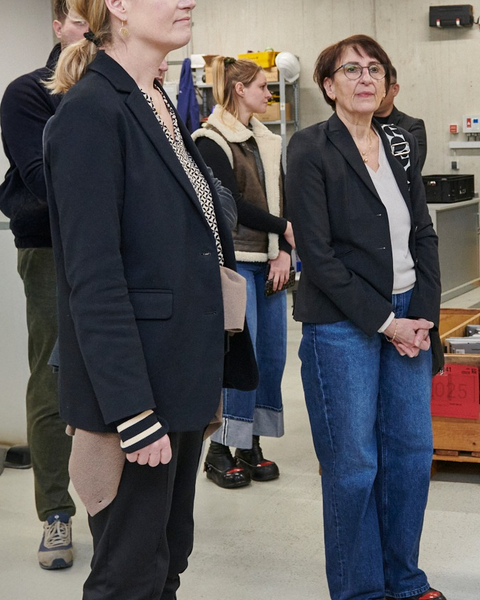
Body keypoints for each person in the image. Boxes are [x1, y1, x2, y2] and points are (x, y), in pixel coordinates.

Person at [43, 0, 256, 598]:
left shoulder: (155, 102)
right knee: (128, 575)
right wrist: (132, 413)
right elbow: (93, 278)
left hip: (181, 374)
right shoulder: (91, 113)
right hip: (135, 395)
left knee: (166, 563)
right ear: (118, 6)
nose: (188, 1)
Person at [286, 34, 445, 600]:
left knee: (410, 456)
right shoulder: (308, 148)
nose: (364, 78)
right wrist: (387, 322)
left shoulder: (399, 144)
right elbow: (319, 257)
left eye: (374, 68)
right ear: (328, 85)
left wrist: (423, 314)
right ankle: (360, 590)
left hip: (410, 320)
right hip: (343, 326)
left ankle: (404, 579)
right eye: (350, 70)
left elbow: (423, 233)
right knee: (353, 464)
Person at [0, 0, 88, 570]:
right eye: (81, 21)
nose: (90, 33)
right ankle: (56, 514)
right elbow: (40, 178)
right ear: (58, 26)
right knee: (52, 379)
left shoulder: (129, 90)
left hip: (119, 254)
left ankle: (116, 507)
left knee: (119, 375)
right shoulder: (29, 92)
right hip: (52, 250)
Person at [193, 56, 296, 488]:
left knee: (271, 357)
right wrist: (284, 229)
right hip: (236, 264)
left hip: (270, 261)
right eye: (261, 87)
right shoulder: (210, 139)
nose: (269, 95)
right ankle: (219, 449)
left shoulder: (265, 140)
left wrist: (285, 250)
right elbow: (229, 205)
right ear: (238, 90)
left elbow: (282, 196)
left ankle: (250, 443)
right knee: (241, 358)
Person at [373, 64, 427, 173]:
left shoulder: (412, 126)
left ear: (395, 89)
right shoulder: (357, 126)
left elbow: (412, 170)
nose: (374, 92)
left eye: (381, 86)